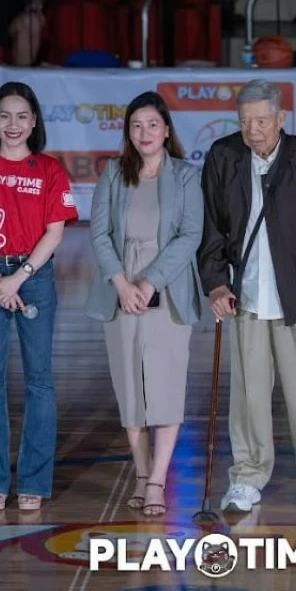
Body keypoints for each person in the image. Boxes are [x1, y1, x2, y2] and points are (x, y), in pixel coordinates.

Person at [199, 79, 296, 513]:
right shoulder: (224, 156)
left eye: (262, 121)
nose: (253, 131)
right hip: (245, 298)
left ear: (280, 119)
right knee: (248, 397)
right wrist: (215, 282)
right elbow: (212, 228)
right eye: (246, 122)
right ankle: (247, 477)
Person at [0, 81, 77, 511]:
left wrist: (18, 278)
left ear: (34, 121)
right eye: (4, 116)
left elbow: (56, 231)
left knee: (39, 381)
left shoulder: (49, 170)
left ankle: (34, 481)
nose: (13, 124)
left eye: (22, 116)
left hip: (34, 276)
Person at [85, 91, 204, 517]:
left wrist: (150, 282)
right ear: (127, 133)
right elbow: (98, 234)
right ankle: (139, 474)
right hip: (120, 290)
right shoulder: (115, 174)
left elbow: (190, 235)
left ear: (166, 129)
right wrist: (121, 283)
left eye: (152, 124)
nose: (144, 133)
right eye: (136, 126)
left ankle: (157, 481)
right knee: (130, 389)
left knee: (166, 387)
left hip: (167, 288)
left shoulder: (187, 177)